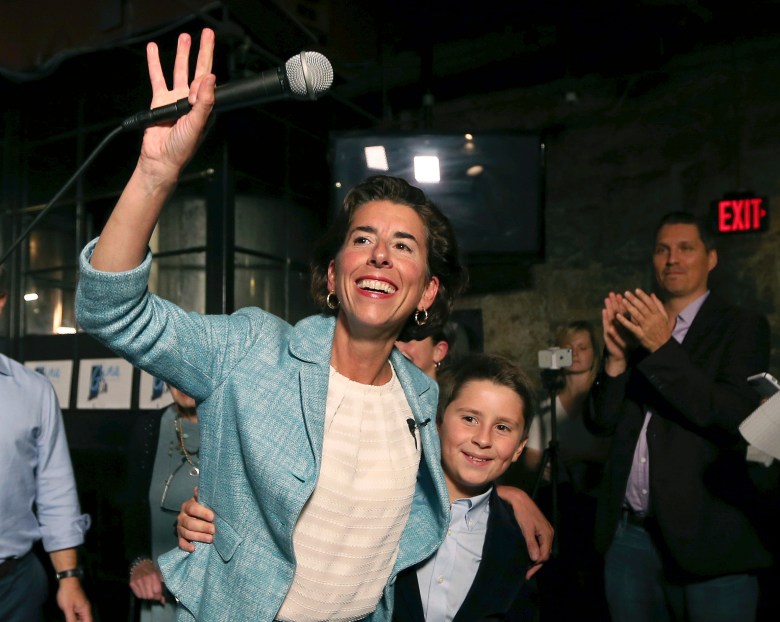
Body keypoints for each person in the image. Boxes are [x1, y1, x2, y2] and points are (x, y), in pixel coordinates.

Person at [74, 28, 551, 622]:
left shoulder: (421, 396)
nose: (380, 255)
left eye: (403, 246)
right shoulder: (252, 349)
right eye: (362, 239)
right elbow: (110, 311)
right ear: (332, 276)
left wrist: (509, 499)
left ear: (427, 290)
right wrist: (155, 173)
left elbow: (452, 481)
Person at [586, 210, 772, 622]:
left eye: (686, 248)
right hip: (630, 537)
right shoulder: (637, 327)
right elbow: (601, 423)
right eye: (662, 250)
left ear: (711, 258)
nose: (672, 259)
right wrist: (615, 362)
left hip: (707, 538)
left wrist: (662, 347)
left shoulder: (741, 326)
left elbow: (732, 415)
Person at [393, 352, 539, 621]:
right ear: (438, 424)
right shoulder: (389, 502)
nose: (483, 439)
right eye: (470, 419)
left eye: (503, 427)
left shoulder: (521, 543)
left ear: (519, 448)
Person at [0, 265, 93, 622]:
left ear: (2, 302)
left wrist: (69, 578)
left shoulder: (34, 391)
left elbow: (56, 491)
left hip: (15, 588)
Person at [523, 320, 610, 622]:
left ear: (594, 352)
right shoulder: (547, 405)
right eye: (568, 348)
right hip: (557, 500)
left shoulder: (605, 403)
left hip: (594, 499)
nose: (575, 354)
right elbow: (531, 456)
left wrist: (576, 456)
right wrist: (543, 467)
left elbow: (614, 450)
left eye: (582, 348)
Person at [126, 384, 199, 621]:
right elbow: (132, 506)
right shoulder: (149, 427)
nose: (182, 381)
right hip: (159, 597)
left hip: (214, 596)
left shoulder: (235, 428)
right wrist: (139, 562)